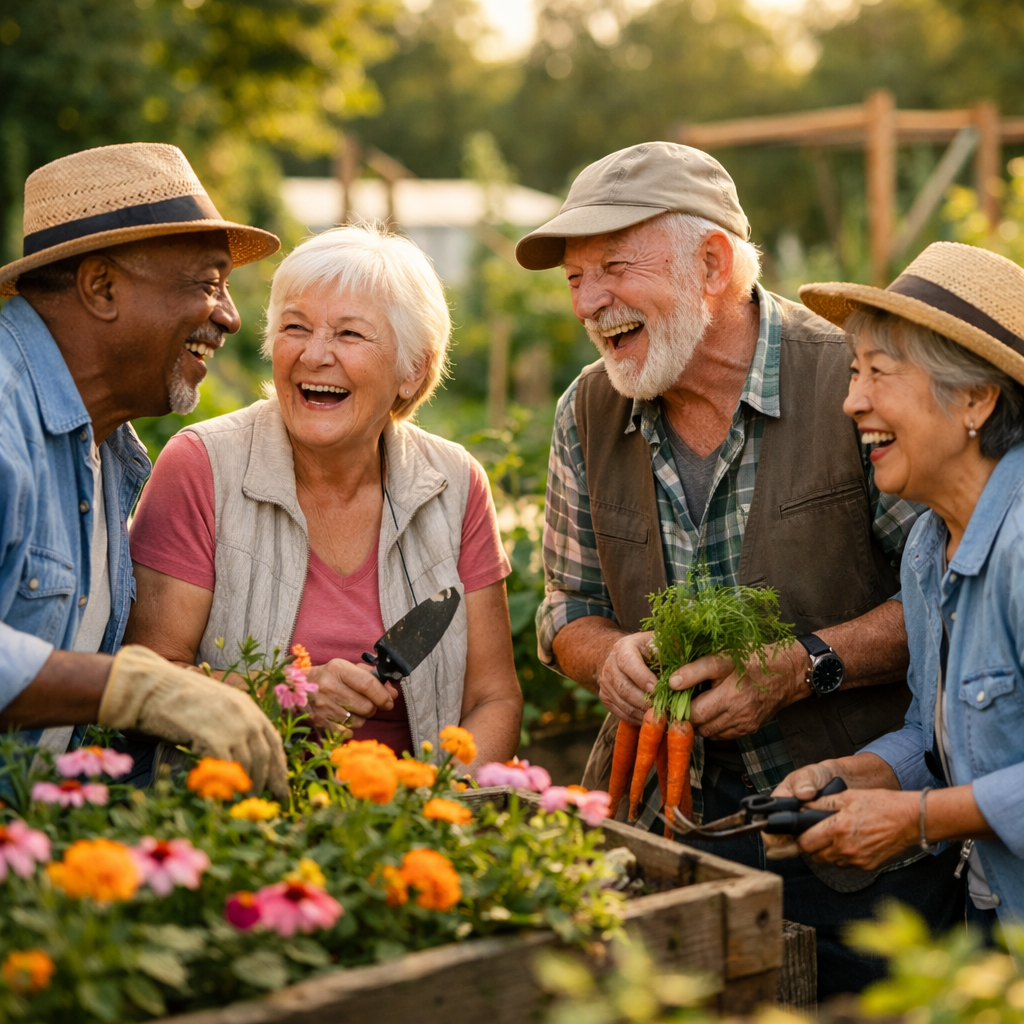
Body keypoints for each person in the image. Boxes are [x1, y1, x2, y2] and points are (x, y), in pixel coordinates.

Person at [515, 141, 962, 995]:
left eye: (612, 266)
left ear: (712, 263)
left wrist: (803, 666)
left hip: (855, 836)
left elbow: (949, 597)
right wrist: (603, 652)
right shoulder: (588, 407)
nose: (588, 301)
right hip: (662, 839)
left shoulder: (854, 380)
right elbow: (565, 606)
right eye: (575, 278)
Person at [124, 224, 523, 771]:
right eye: (295, 327)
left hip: (407, 820)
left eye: (349, 335)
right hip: (235, 819)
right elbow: (147, 677)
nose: (314, 355)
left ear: (413, 372)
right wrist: (289, 693)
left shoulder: (454, 484)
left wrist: (436, 812)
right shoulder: (202, 465)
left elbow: (492, 699)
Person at [0, 142, 288, 798]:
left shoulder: (109, 452)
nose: (230, 317)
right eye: (209, 283)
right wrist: (133, 687)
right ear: (102, 287)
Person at [765, 241, 1024, 933]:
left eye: (879, 373)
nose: (852, 401)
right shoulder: (927, 546)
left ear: (975, 397)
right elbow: (935, 732)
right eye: (853, 373)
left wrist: (917, 819)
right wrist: (861, 774)